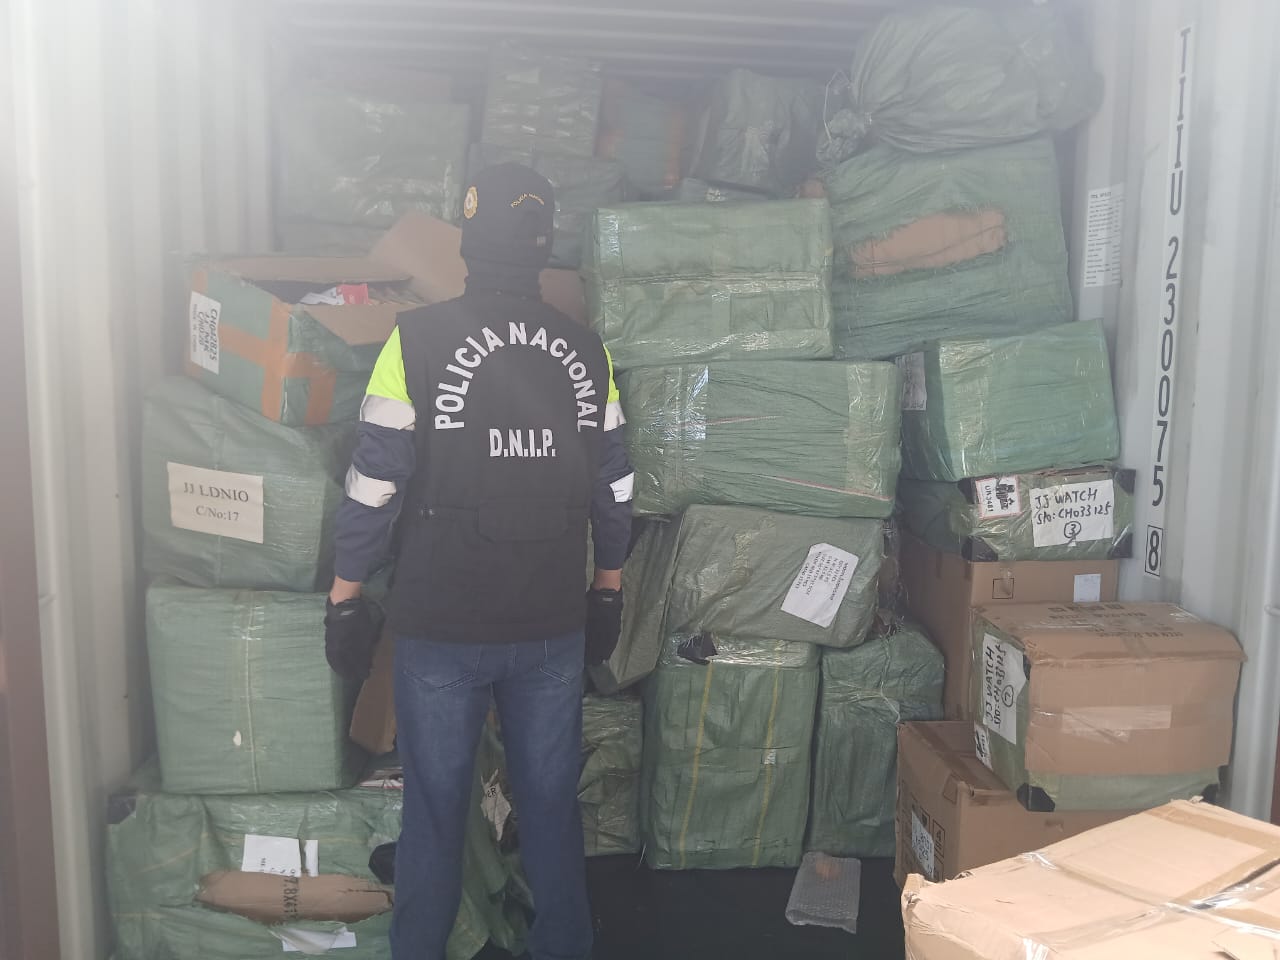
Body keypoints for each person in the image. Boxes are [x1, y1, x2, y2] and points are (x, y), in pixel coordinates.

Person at [322, 163, 634, 960]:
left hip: (442, 625)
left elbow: (375, 482)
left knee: (434, 811)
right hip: (550, 622)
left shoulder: (415, 341)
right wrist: (608, 589)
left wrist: (346, 593)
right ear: (544, 245)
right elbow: (615, 485)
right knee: (550, 804)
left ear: (466, 241)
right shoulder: (586, 352)